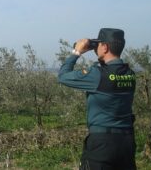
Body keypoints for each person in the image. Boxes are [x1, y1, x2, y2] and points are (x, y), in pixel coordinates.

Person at [58, 28, 136, 170]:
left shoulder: (97, 75)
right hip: (127, 142)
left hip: (102, 143)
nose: (96, 48)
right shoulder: (130, 74)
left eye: (98, 44)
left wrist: (77, 52)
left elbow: (63, 76)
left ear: (105, 47)